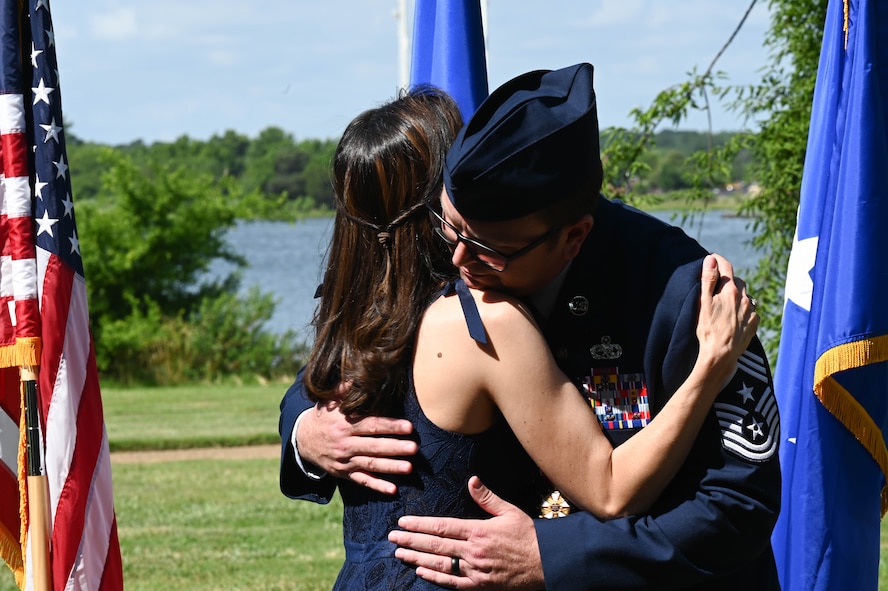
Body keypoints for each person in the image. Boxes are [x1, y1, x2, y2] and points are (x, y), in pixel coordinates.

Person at [281, 64, 780, 590]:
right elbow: (360, 344)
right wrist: (305, 430)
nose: (456, 257)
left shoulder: (686, 297)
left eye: (489, 250)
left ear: (572, 237)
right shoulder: (466, 239)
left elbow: (736, 506)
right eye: (448, 225)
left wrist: (557, 557)